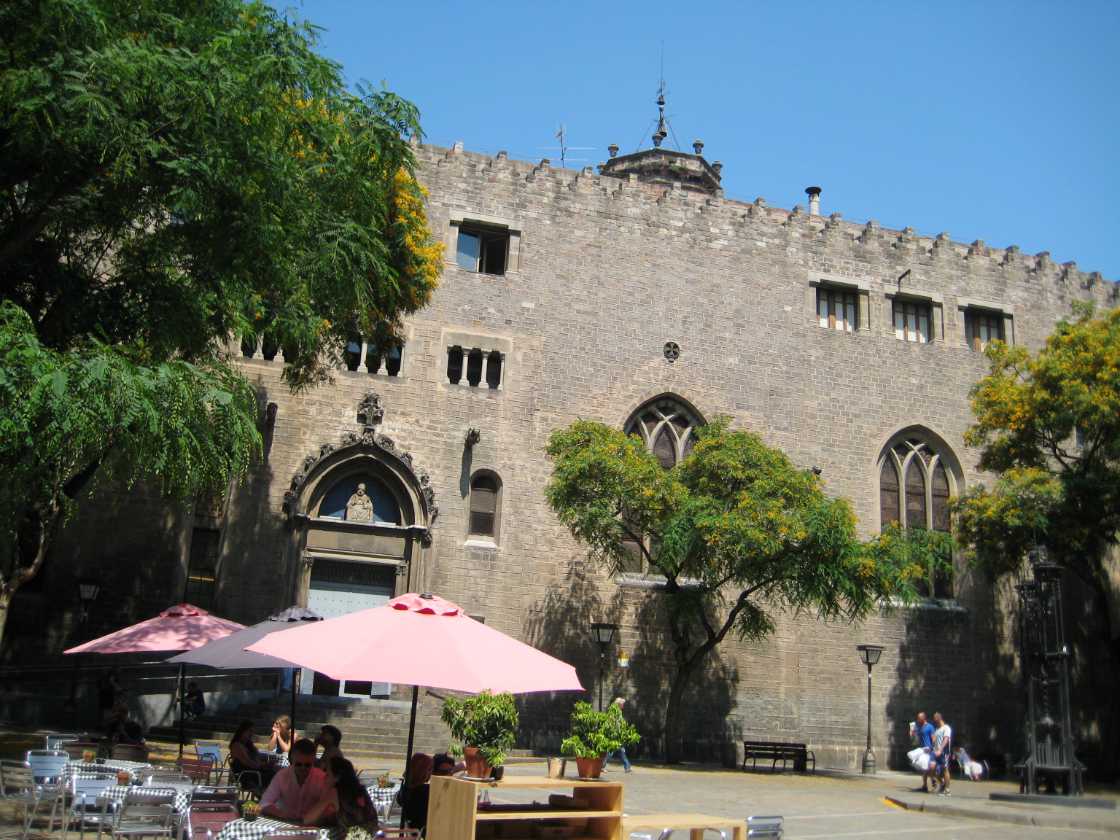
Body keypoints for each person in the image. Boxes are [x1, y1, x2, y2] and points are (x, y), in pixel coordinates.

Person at [303, 756, 379, 833]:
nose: (324, 776)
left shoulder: (334, 793)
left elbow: (307, 819)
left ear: (337, 777)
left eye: (327, 773)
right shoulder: (361, 790)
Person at [260, 738, 329, 822]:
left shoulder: (322, 778)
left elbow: (329, 808)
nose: (303, 768)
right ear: (292, 759)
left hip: (311, 824)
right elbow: (264, 803)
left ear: (314, 760)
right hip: (284, 822)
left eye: (307, 765)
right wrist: (282, 815)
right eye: (298, 764)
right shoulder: (282, 776)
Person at [229, 720, 277, 794]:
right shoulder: (237, 746)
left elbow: (255, 760)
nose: (252, 734)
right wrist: (262, 766)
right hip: (246, 775)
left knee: (276, 772)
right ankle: (265, 799)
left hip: (253, 772)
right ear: (242, 731)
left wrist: (265, 765)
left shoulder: (249, 745)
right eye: (249, 731)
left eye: (253, 731)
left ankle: (268, 798)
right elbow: (248, 763)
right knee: (273, 776)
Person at [398, 752, 434, 834]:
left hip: (413, 831)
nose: (431, 773)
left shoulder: (405, 789)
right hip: (424, 832)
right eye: (429, 769)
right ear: (421, 771)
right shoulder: (424, 791)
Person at [908, 711, 936, 792]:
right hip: (922, 750)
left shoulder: (930, 726)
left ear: (924, 718)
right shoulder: (918, 727)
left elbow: (933, 738)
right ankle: (925, 785)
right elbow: (913, 739)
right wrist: (911, 733)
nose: (918, 719)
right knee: (924, 768)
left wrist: (931, 747)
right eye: (917, 718)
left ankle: (933, 779)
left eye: (919, 718)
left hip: (929, 749)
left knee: (930, 767)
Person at [603, 698, 633, 773]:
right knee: (611, 752)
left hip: (617, 735)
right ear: (619, 704)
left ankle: (627, 766)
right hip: (614, 735)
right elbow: (614, 723)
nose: (623, 705)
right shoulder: (614, 711)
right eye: (622, 704)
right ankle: (601, 766)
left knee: (621, 750)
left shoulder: (619, 711)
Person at [931, 711, 953, 796]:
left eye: (935, 718)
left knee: (945, 769)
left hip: (944, 752)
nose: (934, 719)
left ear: (939, 718)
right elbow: (934, 741)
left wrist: (940, 749)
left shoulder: (946, 728)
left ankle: (947, 790)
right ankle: (942, 783)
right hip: (935, 753)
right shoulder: (937, 730)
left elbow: (946, 739)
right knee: (932, 769)